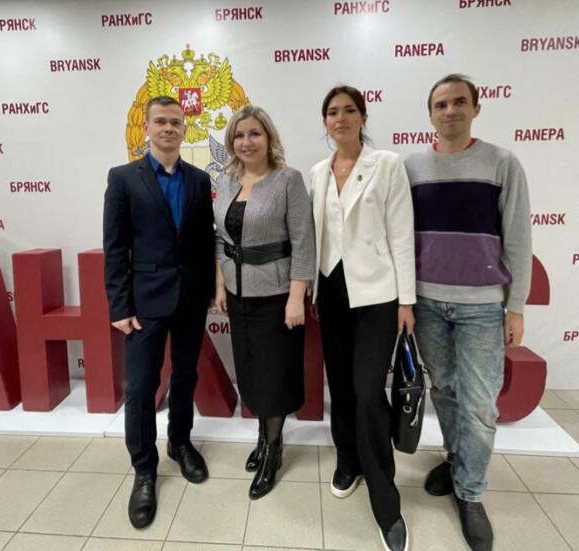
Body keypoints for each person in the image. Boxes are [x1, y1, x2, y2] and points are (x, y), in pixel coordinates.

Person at [404, 74, 531, 551]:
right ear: (430, 114)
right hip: (427, 303)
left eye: (459, 102)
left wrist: (515, 307)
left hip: (482, 307)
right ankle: (458, 462)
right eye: (440, 104)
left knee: (480, 406)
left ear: (476, 108)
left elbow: (518, 237)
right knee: (446, 392)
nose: (450, 110)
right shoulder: (412, 168)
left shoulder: (502, 162)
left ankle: (471, 494)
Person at [310, 86, 415, 551]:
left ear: (363, 116)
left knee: (369, 390)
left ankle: (385, 496)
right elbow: (316, 235)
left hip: (377, 295)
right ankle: (348, 459)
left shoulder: (387, 164)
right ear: (325, 122)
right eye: (333, 112)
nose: (341, 118)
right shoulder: (317, 172)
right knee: (340, 385)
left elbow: (402, 233)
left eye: (349, 110)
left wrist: (406, 301)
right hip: (331, 293)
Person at [103, 96, 216, 529]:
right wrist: (119, 305)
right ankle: (144, 470)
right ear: (147, 128)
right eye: (161, 122)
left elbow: (203, 242)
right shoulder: (122, 178)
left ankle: (180, 443)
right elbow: (115, 247)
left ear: (185, 129)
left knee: (185, 376)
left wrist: (209, 290)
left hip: (190, 299)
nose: (169, 128)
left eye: (176, 122)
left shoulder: (198, 179)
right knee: (141, 388)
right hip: (144, 303)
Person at [213, 105, 316, 500]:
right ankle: (263, 436)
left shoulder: (288, 180)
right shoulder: (226, 180)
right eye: (239, 135)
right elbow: (220, 239)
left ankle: (273, 452)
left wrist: (296, 296)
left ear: (268, 137)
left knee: (274, 376)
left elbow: (303, 240)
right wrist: (220, 285)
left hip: (276, 296)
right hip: (237, 293)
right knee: (252, 373)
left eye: (254, 133)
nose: (247, 142)